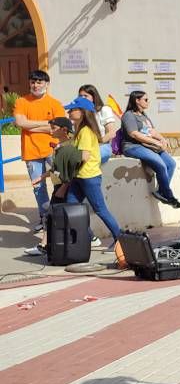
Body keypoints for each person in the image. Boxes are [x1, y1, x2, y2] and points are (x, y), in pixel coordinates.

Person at [64, 96, 121, 249]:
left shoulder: (85, 131)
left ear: (82, 112)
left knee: (100, 210)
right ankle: (88, 236)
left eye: (72, 110)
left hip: (89, 177)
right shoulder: (80, 130)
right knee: (70, 208)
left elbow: (84, 156)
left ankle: (120, 239)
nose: (69, 112)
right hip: (79, 176)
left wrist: (67, 161)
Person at [12, 70, 66, 232]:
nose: (35, 85)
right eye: (33, 82)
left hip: (53, 150)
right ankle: (45, 218)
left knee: (60, 183)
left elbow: (57, 126)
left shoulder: (55, 103)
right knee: (38, 188)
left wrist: (30, 125)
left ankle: (60, 216)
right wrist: (45, 125)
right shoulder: (22, 101)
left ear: (47, 84)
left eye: (39, 82)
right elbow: (20, 122)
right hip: (31, 152)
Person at [23, 117, 79, 257]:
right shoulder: (60, 146)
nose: (51, 131)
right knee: (58, 216)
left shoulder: (68, 147)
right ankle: (89, 238)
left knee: (51, 216)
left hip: (62, 187)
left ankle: (43, 246)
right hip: (58, 186)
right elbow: (55, 169)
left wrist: (64, 187)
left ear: (64, 130)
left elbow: (72, 171)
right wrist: (41, 177)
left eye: (54, 128)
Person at [121, 90, 180, 208]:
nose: (148, 102)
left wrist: (162, 139)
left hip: (148, 146)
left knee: (171, 164)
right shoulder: (129, 115)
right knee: (160, 165)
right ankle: (169, 196)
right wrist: (155, 142)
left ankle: (160, 191)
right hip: (133, 146)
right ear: (137, 100)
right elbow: (134, 134)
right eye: (146, 99)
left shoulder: (144, 115)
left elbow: (151, 131)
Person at [77, 84, 118, 164]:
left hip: (102, 146)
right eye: (80, 96)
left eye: (86, 96)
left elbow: (111, 133)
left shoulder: (104, 110)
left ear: (93, 97)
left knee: (87, 160)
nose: (83, 98)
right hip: (84, 148)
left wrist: (96, 144)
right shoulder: (79, 112)